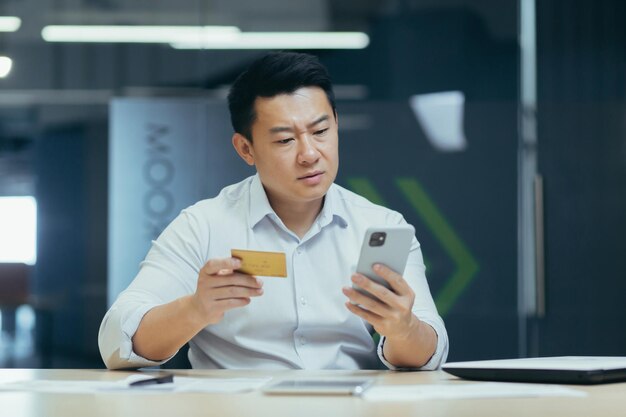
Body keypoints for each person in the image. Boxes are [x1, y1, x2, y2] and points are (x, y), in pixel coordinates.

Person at [99, 52, 448, 370]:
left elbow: (430, 352)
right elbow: (116, 342)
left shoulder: (379, 226)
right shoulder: (203, 226)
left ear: (337, 124)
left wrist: (403, 329)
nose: (310, 153)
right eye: (285, 140)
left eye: (321, 131)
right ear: (245, 148)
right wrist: (195, 309)